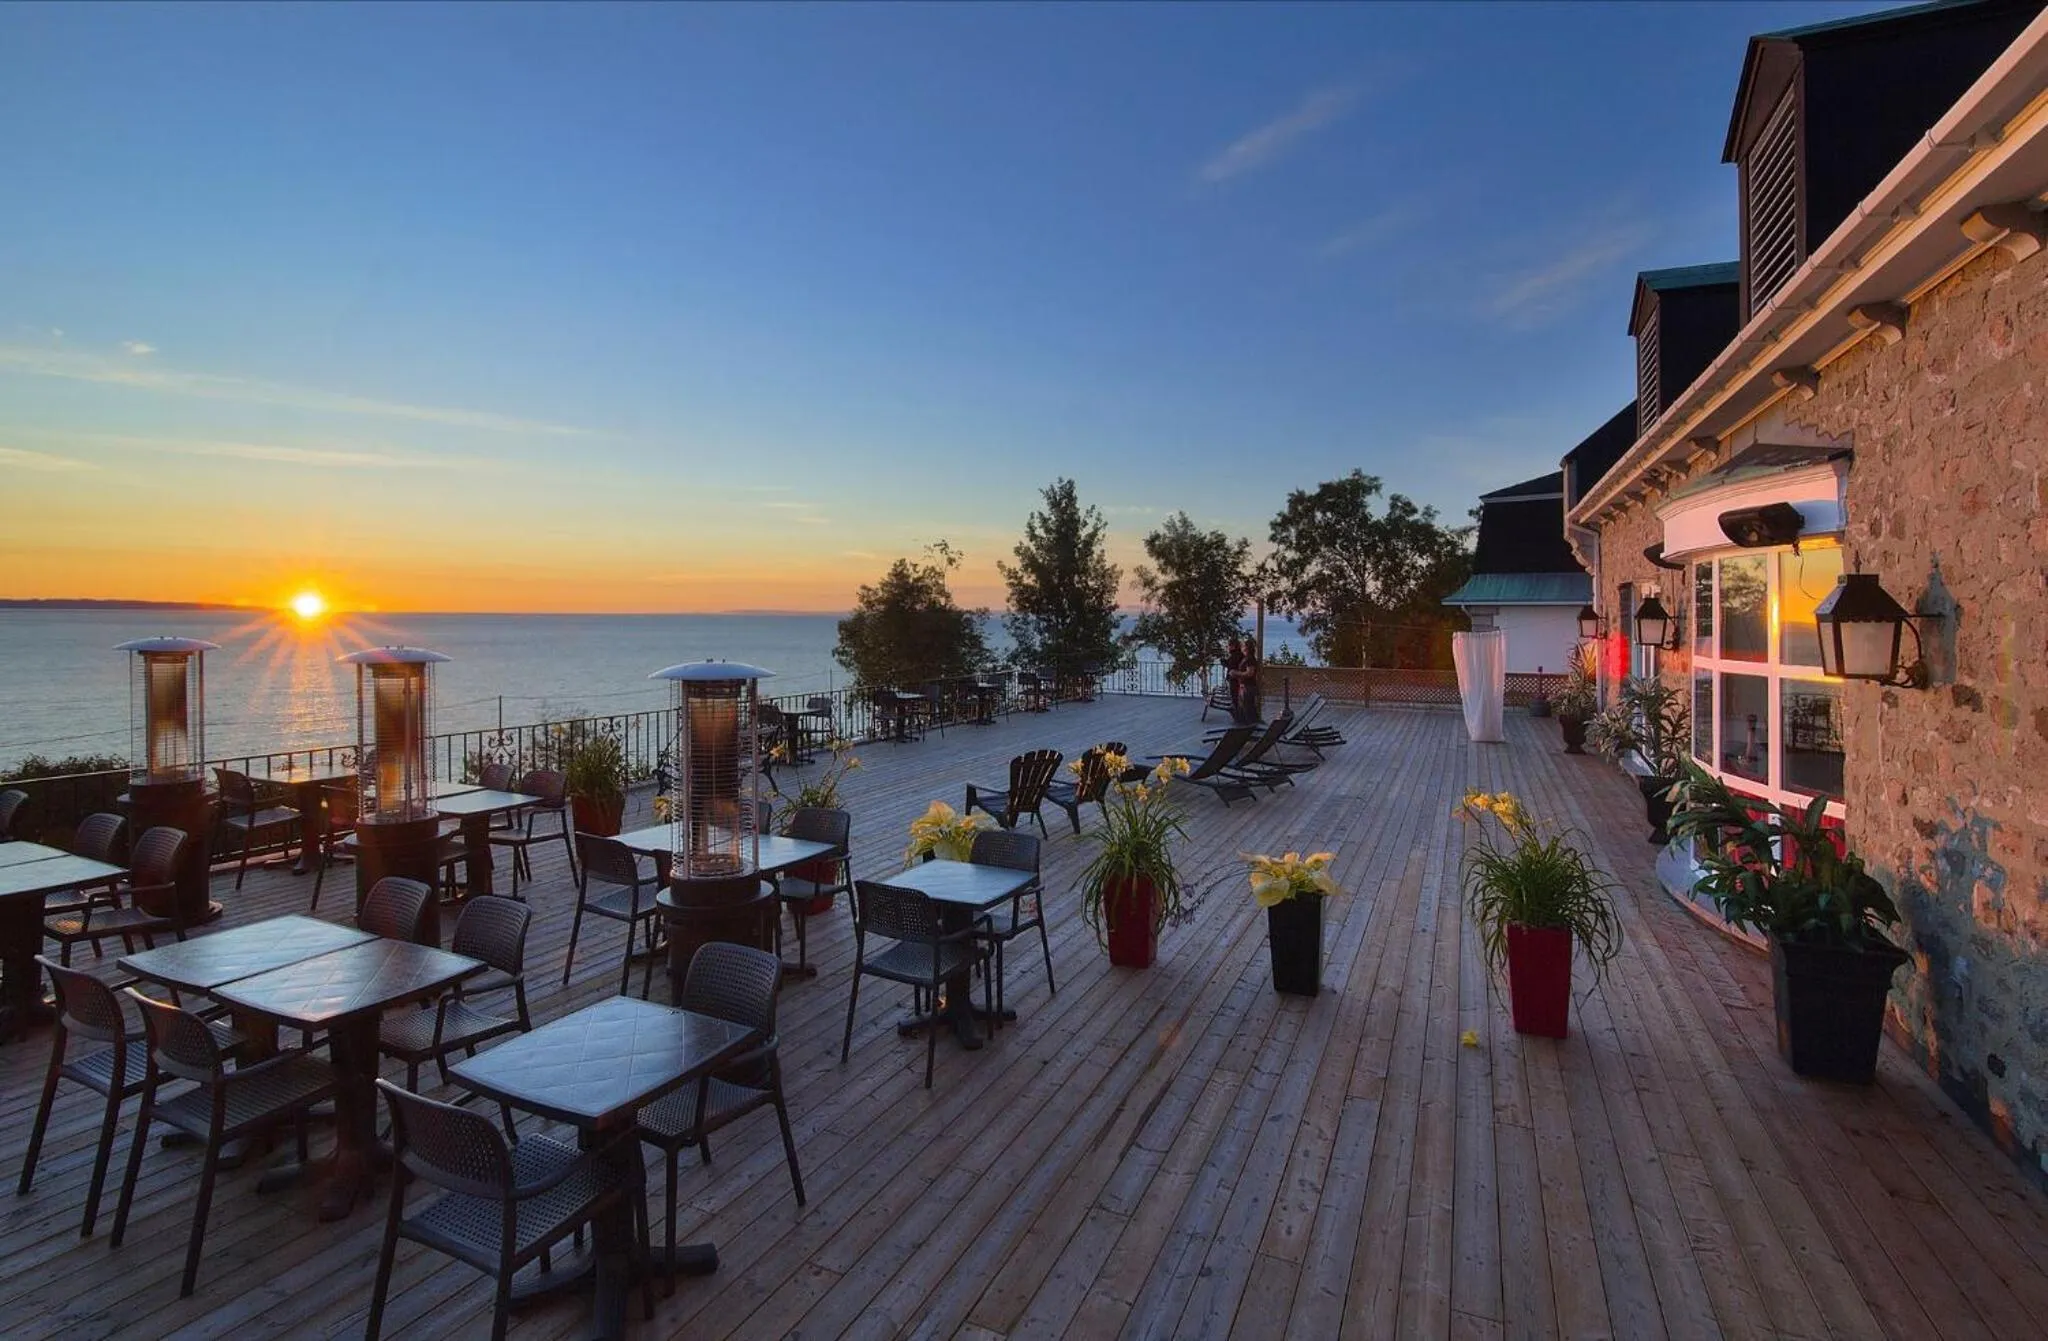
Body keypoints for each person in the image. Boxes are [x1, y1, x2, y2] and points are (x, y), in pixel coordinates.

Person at [1233, 639, 1263, 724]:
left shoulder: (1250, 659)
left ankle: (1251, 726)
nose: (1241, 648)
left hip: (1248, 687)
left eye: (1242, 646)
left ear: (1246, 648)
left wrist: (1236, 673)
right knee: (1245, 708)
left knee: (1248, 709)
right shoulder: (1246, 658)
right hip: (1245, 686)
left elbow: (1250, 673)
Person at [1221, 636, 1245, 717]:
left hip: (1235, 679)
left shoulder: (1236, 655)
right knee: (1235, 697)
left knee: (1235, 697)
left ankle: (1237, 715)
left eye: (1229, 646)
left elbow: (1231, 666)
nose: (1228, 648)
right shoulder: (1238, 654)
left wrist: (1224, 662)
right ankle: (1237, 714)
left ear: (1233, 646)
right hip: (1235, 679)